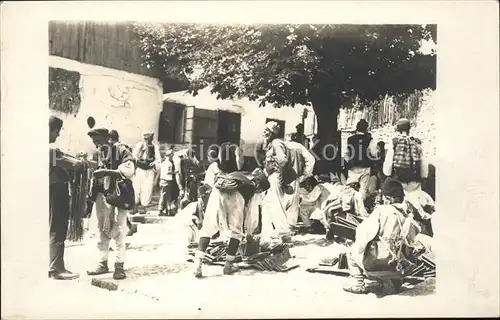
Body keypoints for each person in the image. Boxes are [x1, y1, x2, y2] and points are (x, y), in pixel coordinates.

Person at [193, 143, 265, 278]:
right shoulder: (237, 175)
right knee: (236, 231)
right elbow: (252, 185)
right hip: (234, 198)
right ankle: (228, 265)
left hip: (217, 195)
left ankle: (198, 263)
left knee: (207, 229)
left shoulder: (218, 174)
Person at [343, 178, 421, 295]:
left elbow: (364, 235)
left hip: (378, 261)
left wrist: (360, 249)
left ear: (389, 198)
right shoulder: (408, 215)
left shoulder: (381, 211)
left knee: (352, 250)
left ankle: (358, 283)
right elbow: (413, 239)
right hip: (398, 266)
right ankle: (391, 281)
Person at [86, 128, 136, 280]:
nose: (97, 146)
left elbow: (129, 170)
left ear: (108, 139)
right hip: (104, 197)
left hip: (118, 196)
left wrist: (107, 172)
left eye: (99, 142)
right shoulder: (101, 153)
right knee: (102, 230)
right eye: (95, 143)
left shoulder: (121, 150)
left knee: (119, 230)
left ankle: (119, 266)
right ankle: (102, 263)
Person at [49, 116, 84, 280]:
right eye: (57, 132)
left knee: (50, 229)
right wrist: (84, 162)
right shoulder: (51, 151)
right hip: (56, 192)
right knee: (58, 228)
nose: (57, 135)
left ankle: (51, 266)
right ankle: (56, 268)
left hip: (48, 192)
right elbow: (74, 164)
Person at [260, 121, 296, 243]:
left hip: (275, 177)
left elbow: (283, 160)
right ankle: (267, 236)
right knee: (266, 205)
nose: (264, 132)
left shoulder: (276, 143)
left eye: (267, 131)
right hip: (270, 176)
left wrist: (278, 173)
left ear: (272, 133)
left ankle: (285, 236)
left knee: (276, 206)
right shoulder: (270, 144)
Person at [383, 118, 428, 195]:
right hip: (415, 183)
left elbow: (388, 166)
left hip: (398, 183)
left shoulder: (394, 142)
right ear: (409, 129)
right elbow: (423, 164)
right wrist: (423, 177)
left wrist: (388, 174)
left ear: (398, 129)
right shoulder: (416, 142)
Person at [343, 119, 379, 217]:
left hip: (353, 167)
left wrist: (349, 161)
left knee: (350, 187)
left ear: (357, 128)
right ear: (366, 129)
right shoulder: (369, 140)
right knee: (363, 188)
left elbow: (346, 154)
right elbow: (374, 153)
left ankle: (347, 208)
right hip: (365, 166)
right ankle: (360, 210)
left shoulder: (350, 139)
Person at [283, 134, 316, 229]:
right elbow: (311, 160)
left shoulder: (280, 145)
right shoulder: (299, 146)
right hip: (294, 176)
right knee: (293, 201)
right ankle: (290, 226)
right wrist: (306, 173)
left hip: (279, 176)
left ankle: (280, 225)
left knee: (280, 199)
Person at [109, 130, 137, 235]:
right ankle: (126, 229)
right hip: (122, 182)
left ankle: (125, 230)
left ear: (110, 139)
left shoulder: (118, 148)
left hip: (119, 182)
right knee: (120, 210)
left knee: (119, 210)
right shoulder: (122, 148)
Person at [132, 131, 161, 215]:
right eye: (146, 138)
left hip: (149, 171)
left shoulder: (155, 147)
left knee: (147, 189)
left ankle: (143, 207)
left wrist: (154, 163)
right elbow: (134, 156)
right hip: (139, 169)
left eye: (149, 138)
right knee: (136, 188)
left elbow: (158, 159)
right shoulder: (139, 145)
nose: (147, 140)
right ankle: (135, 206)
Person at [158, 148, 176, 216]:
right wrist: (175, 172)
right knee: (165, 196)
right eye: (172, 155)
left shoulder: (162, 163)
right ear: (170, 155)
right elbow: (168, 172)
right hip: (167, 180)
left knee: (165, 196)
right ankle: (161, 210)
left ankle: (168, 210)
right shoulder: (169, 164)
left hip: (162, 180)